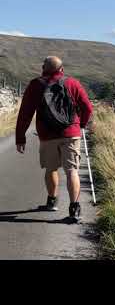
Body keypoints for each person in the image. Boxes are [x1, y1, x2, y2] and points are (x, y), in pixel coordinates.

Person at [15, 56, 93, 221]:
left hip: (47, 135)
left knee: (51, 169)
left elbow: (25, 114)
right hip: (71, 132)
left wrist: (20, 137)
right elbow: (87, 107)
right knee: (72, 171)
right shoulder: (72, 83)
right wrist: (81, 125)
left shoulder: (35, 85)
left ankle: (52, 202)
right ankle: (74, 208)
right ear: (61, 69)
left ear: (43, 69)